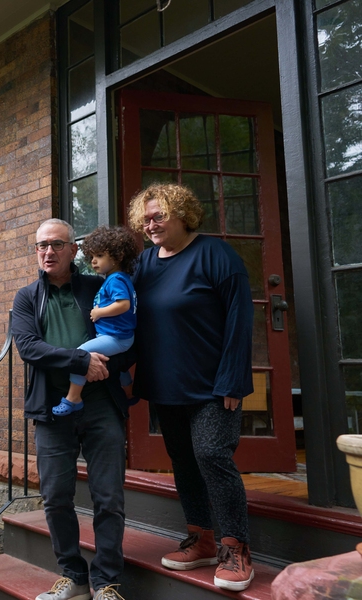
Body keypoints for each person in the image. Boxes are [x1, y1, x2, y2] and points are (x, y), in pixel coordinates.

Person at [127, 183, 255, 592]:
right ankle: (200, 538)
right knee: (183, 462)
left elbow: (240, 319)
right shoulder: (145, 263)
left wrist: (233, 378)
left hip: (214, 386)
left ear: (183, 214)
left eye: (158, 216)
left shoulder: (216, 255)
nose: (150, 225)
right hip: (167, 385)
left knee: (212, 455)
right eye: (145, 219)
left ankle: (236, 547)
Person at [11, 219, 132, 600]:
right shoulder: (27, 297)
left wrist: (112, 365)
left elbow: (127, 332)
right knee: (56, 496)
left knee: (108, 497)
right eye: (41, 246)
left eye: (57, 245)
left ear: (74, 250)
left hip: (101, 407)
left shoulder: (98, 286)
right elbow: (29, 347)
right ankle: (73, 575)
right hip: (51, 411)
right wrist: (79, 362)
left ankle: (107, 581)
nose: (48, 252)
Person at [52, 225, 139, 417]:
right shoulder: (117, 278)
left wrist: (99, 313)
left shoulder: (115, 279)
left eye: (99, 256)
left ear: (118, 255)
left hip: (116, 337)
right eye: (91, 257)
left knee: (82, 354)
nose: (93, 261)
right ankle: (129, 390)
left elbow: (123, 305)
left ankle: (73, 398)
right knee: (114, 362)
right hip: (119, 336)